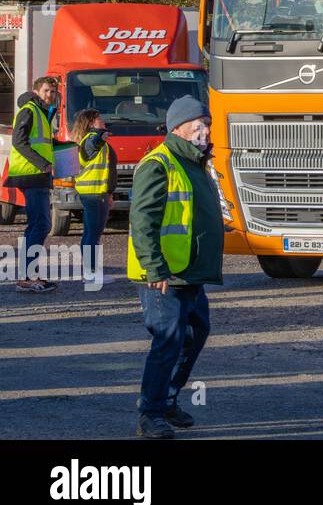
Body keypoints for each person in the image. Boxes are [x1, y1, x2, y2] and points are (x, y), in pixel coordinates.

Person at [128, 96, 223, 438]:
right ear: (178, 128)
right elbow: (142, 221)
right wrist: (155, 268)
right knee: (168, 340)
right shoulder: (159, 164)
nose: (205, 130)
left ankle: (166, 399)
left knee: (195, 334)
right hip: (165, 276)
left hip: (190, 273)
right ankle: (150, 413)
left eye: (207, 123)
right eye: (197, 124)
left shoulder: (195, 162)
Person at [5, 76, 59, 292]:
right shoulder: (30, 109)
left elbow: (43, 143)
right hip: (32, 174)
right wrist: (43, 164)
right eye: (47, 91)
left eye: (53, 92)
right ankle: (27, 277)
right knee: (41, 225)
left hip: (37, 175)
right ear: (37, 91)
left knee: (36, 225)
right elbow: (19, 141)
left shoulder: (41, 112)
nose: (50, 95)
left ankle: (28, 275)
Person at [70, 109, 117, 277]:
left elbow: (108, 171)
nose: (103, 121)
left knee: (91, 232)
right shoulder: (91, 138)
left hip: (97, 192)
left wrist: (109, 193)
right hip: (93, 193)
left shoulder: (95, 140)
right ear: (91, 124)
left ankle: (89, 270)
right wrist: (100, 136)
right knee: (93, 233)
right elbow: (92, 144)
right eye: (99, 120)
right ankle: (91, 272)